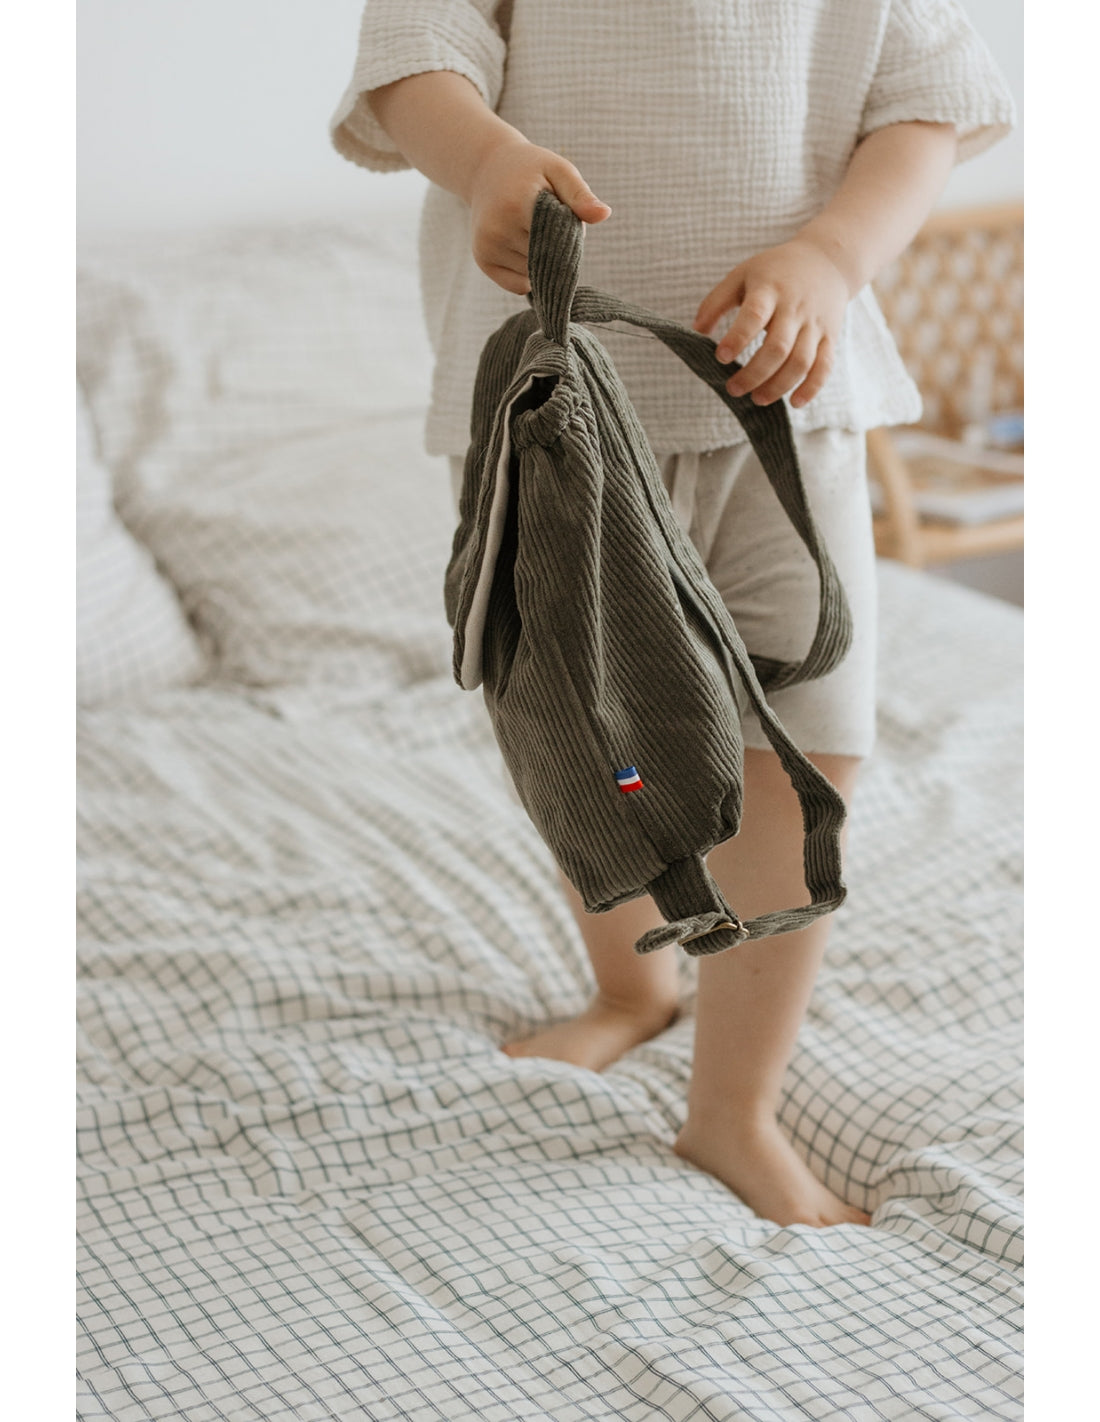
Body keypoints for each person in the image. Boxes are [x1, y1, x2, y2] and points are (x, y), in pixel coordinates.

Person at [330, 0, 1014, 1229]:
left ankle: (732, 1108)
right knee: (586, 735)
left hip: (786, 403)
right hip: (551, 406)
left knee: (806, 731)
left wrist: (831, 259)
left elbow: (927, 101)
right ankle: (627, 989)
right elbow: (407, 64)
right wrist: (484, 158)